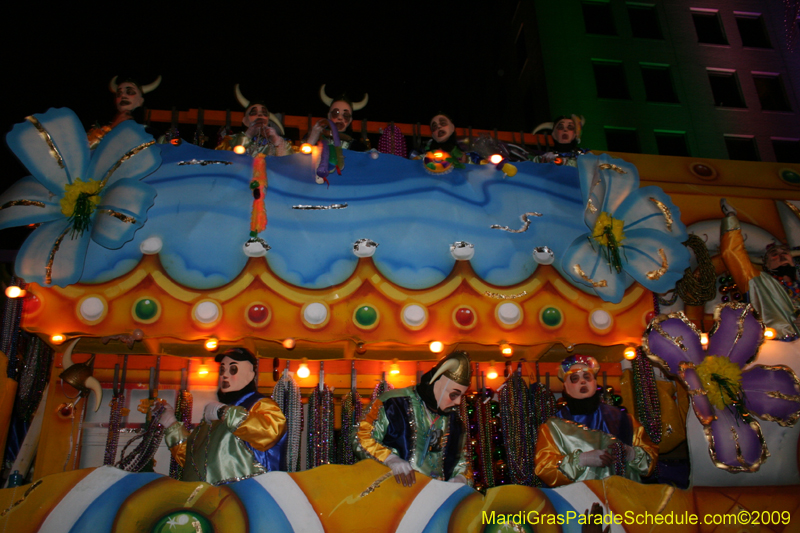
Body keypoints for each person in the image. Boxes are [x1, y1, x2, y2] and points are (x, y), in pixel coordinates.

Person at [159, 347, 287, 485]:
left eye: (233, 370)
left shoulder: (260, 405)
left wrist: (225, 413)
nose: (225, 375)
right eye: (222, 370)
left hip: (245, 497)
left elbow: (270, 432)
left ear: (250, 374)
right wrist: (172, 425)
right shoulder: (214, 415)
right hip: (208, 500)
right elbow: (194, 459)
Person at [534, 355, 657, 487]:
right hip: (577, 502)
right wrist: (582, 460)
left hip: (622, 499)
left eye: (587, 377)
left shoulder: (624, 420)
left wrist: (631, 454)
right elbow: (545, 468)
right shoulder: (552, 427)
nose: (583, 382)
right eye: (575, 379)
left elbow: (649, 462)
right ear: (566, 386)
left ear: (594, 382)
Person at [354, 350, 473, 486]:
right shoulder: (393, 403)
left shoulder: (455, 422)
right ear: (437, 384)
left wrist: (461, 478)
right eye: (453, 394)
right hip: (393, 494)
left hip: (435, 499)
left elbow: (462, 460)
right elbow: (361, 436)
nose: (458, 402)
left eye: (461, 396)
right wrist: (389, 458)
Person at [719, 199, 800, 339]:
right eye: (774, 255)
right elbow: (732, 253)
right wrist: (731, 216)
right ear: (766, 265)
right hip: (777, 346)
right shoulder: (757, 281)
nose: (782, 257)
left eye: (785, 253)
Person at [216, 84, 294, 157]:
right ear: (245, 121)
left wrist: (277, 142)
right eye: (253, 113)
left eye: (264, 113)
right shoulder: (231, 140)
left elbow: (292, 163)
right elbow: (224, 157)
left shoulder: (281, 143)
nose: (260, 115)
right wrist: (248, 136)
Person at [87, 75, 161, 149]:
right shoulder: (99, 128)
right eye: (119, 93)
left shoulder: (150, 133)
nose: (123, 95)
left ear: (140, 101)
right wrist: (111, 128)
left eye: (130, 92)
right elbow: (85, 149)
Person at [306, 84, 369, 151]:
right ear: (329, 116)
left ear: (350, 120)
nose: (340, 118)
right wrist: (312, 140)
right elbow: (303, 156)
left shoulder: (357, 147)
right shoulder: (318, 137)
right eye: (335, 113)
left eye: (345, 115)